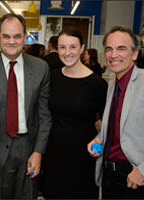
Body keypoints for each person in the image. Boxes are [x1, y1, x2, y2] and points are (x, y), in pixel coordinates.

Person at [0, 13, 52, 199]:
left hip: (29, 147)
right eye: (6, 36)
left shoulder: (41, 68)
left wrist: (38, 152)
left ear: (25, 36)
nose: (11, 41)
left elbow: (44, 116)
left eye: (17, 36)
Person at [87, 25, 144, 199]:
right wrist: (99, 139)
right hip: (109, 177)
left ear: (134, 54)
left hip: (137, 179)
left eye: (121, 49)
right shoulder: (112, 84)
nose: (113, 55)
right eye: (109, 49)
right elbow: (118, 126)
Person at [41, 28, 108, 199]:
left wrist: (98, 149)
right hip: (54, 155)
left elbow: (107, 123)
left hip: (83, 158)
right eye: (62, 47)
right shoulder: (53, 77)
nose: (67, 52)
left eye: (73, 47)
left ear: (82, 49)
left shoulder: (97, 84)